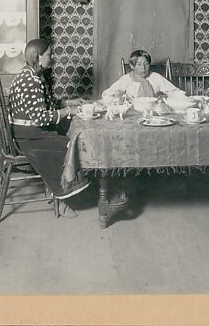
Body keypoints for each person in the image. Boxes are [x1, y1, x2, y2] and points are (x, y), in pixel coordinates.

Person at [9, 39, 126, 218]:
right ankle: (63, 195)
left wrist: (67, 102)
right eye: (48, 54)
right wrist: (68, 111)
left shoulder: (33, 75)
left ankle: (76, 189)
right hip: (30, 136)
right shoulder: (30, 81)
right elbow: (40, 118)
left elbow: (47, 103)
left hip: (31, 131)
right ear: (37, 57)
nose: (52, 58)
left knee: (75, 130)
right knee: (73, 145)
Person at [101, 49, 185, 101]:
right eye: (139, 64)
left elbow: (175, 92)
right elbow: (107, 94)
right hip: (132, 114)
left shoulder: (155, 77)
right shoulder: (127, 79)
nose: (143, 68)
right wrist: (118, 97)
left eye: (146, 64)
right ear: (132, 66)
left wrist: (166, 97)